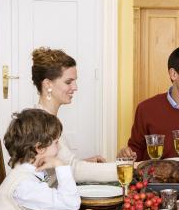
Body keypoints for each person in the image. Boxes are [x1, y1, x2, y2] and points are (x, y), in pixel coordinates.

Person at [32, 47, 117, 182]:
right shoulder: (41, 126)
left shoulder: (46, 118)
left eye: (74, 81)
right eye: (68, 82)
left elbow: (62, 166)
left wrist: (86, 162)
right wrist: (129, 168)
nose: (75, 87)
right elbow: (73, 171)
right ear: (48, 84)